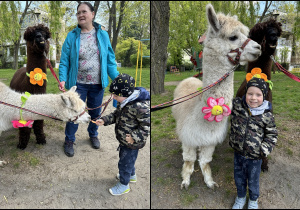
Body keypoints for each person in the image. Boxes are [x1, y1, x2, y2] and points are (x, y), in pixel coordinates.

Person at [58, 2, 119, 157]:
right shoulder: (72, 36)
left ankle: (93, 134)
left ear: (92, 14)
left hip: (97, 83)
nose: (80, 15)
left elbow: (110, 60)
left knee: (96, 112)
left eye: (84, 12)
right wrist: (63, 79)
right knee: (74, 112)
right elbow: (64, 60)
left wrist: (116, 79)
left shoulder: (103, 35)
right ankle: (69, 140)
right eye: (78, 13)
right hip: (78, 84)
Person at [93, 73, 150, 196]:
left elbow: (146, 127)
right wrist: (105, 120)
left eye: (115, 95)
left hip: (131, 142)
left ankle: (124, 185)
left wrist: (134, 138)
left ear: (125, 94)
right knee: (128, 160)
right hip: (124, 140)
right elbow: (116, 114)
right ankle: (132, 175)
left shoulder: (140, 107)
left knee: (125, 163)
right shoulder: (124, 101)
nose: (113, 97)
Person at [229, 73, 278, 209]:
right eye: (250, 94)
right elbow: (225, 104)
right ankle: (240, 197)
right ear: (245, 94)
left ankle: (253, 200)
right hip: (238, 153)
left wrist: (264, 149)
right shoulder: (238, 106)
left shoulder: (267, 115)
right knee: (239, 178)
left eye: (258, 95)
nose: (253, 98)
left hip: (255, 157)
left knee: (253, 180)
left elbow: (272, 134)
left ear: (264, 96)